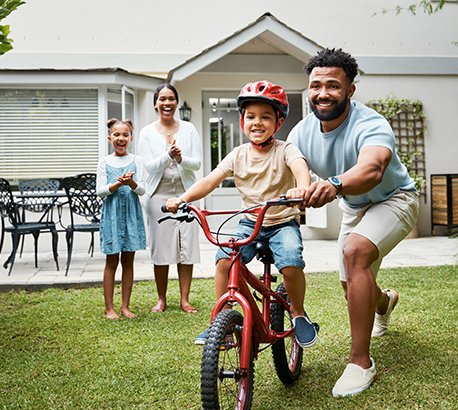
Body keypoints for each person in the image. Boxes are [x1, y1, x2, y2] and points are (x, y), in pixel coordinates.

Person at [287, 48, 419, 396]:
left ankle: (361, 364)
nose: (323, 93)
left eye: (333, 85)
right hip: (355, 207)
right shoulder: (303, 131)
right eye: (316, 85)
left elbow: (372, 169)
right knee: (351, 288)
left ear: (350, 90)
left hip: (395, 199)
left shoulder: (370, 122)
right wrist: (299, 189)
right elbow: (294, 164)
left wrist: (333, 184)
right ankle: (384, 302)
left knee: (354, 253)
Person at [166, 80, 318, 349]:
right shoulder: (237, 155)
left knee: (291, 259)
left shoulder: (286, 149)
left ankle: (297, 313)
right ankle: (220, 321)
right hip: (251, 221)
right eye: (251, 116)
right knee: (225, 258)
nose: (257, 122)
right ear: (242, 121)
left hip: (282, 222)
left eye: (266, 117)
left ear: (278, 122)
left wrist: (302, 188)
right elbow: (210, 180)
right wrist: (183, 198)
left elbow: (300, 169)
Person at [138, 84, 202, 314]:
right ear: (156, 103)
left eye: (171, 99)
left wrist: (181, 158)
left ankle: (185, 300)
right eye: (162, 99)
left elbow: (197, 163)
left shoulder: (189, 129)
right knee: (161, 248)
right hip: (158, 196)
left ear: (176, 102)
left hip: (186, 195)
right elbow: (148, 166)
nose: (167, 103)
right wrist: (168, 156)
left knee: (186, 247)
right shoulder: (147, 132)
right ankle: (161, 299)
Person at [97, 118, 147, 319]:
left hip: (132, 217)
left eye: (125, 135)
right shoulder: (104, 162)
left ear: (131, 138)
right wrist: (116, 185)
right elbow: (100, 192)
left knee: (128, 260)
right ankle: (109, 308)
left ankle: (125, 307)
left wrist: (132, 183)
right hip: (112, 217)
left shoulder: (137, 161)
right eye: (116, 134)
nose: (121, 138)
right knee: (111, 261)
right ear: (110, 138)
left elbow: (143, 190)